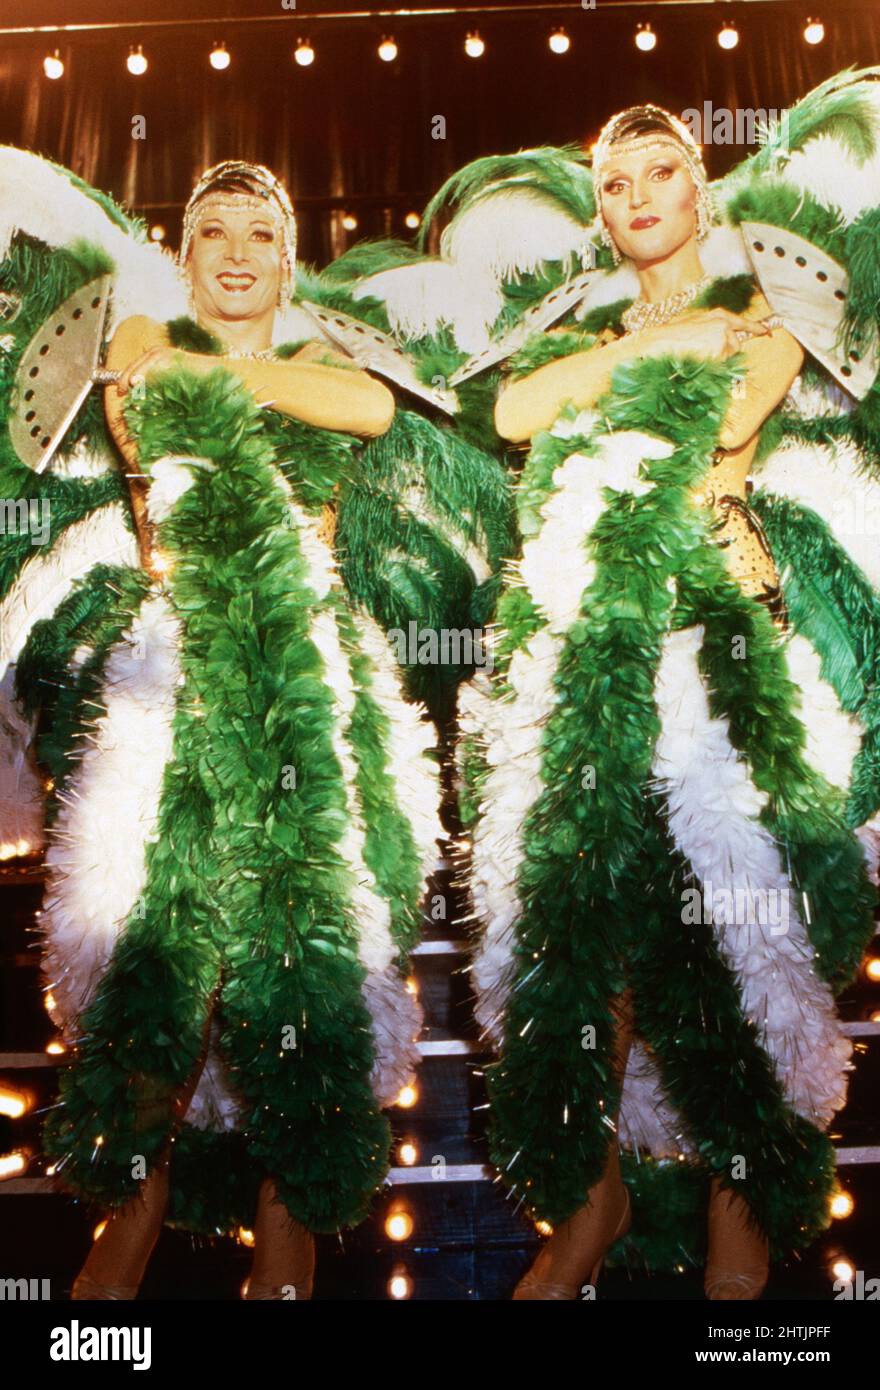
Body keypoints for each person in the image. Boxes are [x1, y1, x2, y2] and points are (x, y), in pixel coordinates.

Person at [458, 104, 879, 1299]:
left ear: (702, 191)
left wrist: (650, 352)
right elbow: (512, 413)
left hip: (717, 662)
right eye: (613, 182)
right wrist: (661, 340)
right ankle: (589, 1212)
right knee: (585, 962)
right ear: (599, 210)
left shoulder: (770, 311)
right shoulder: (619, 333)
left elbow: (736, 408)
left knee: (748, 958)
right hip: (593, 661)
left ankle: (736, 1281)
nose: (636, 195)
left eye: (661, 172)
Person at [27, 160, 442, 1299]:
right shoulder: (148, 331)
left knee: (304, 958)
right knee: (155, 952)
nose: (239, 250)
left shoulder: (314, 362)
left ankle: (286, 1244)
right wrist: (216, 372)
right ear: (185, 248)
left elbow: (368, 406)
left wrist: (239, 376)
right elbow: (143, 388)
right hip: (177, 669)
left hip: (307, 677)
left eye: (263, 231)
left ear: (291, 259)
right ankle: (126, 1229)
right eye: (215, 230)